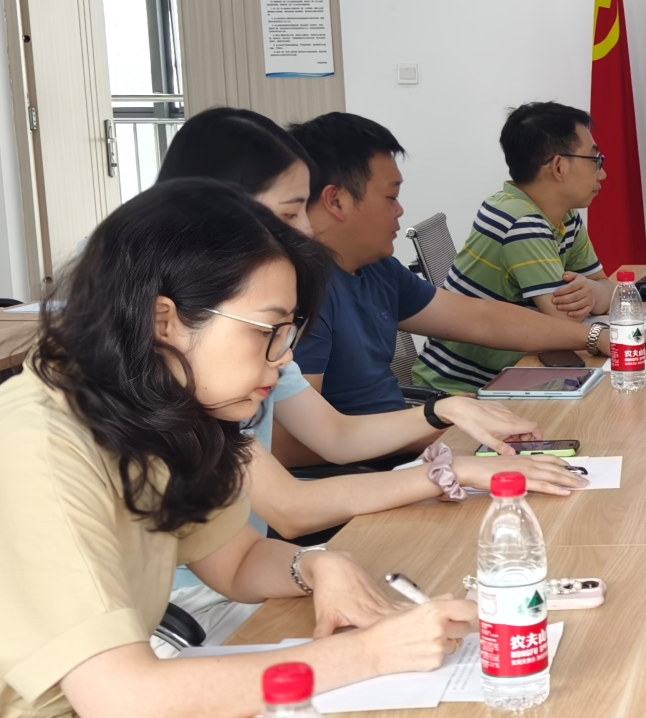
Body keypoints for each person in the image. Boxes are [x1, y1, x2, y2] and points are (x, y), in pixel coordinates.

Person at [0, 180, 477, 718]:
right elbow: (129, 703)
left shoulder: (137, 408)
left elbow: (233, 561)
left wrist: (318, 564)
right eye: (267, 331)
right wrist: (368, 655)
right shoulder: (39, 449)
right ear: (165, 321)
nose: (281, 360)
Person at [156, 111, 583, 627]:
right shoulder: (177, 361)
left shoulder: (245, 339)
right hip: (190, 617)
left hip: (246, 583)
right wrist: (446, 469)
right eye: (291, 212)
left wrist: (442, 412)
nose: (307, 230)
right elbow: (289, 505)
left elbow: (328, 443)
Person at [285, 114, 609, 442]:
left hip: (409, 445)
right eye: (390, 197)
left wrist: (596, 337)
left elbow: (482, 320)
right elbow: (295, 443)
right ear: (336, 200)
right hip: (377, 463)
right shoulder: (302, 292)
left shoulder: (377, 268)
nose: (399, 210)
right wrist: (437, 424)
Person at [415, 102, 619, 394]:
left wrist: (594, 290)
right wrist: (596, 295)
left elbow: (608, 291)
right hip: (460, 391)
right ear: (559, 166)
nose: (602, 174)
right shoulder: (520, 221)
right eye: (594, 160)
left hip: (515, 376)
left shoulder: (562, 215)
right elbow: (567, 322)